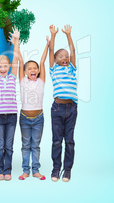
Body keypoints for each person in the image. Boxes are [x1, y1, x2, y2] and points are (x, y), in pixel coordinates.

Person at [17, 35, 50, 181]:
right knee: (25, 145)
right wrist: (16, 43)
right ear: (25, 72)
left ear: (38, 71)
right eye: (29, 68)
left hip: (38, 118)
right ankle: (25, 171)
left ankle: (36, 170)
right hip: (24, 118)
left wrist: (48, 44)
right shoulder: (23, 80)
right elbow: (20, 61)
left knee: (35, 145)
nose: (33, 69)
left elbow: (43, 61)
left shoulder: (41, 81)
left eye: (35, 68)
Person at [0, 27, 20, 181]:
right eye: (0, 66)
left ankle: (7, 170)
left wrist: (16, 41)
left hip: (12, 116)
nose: (2, 68)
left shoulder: (13, 76)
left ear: (9, 67)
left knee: (9, 146)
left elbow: (15, 58)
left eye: (5, 66)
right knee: (0, 146)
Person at [48, 24, 78, 182]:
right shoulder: (53, 69)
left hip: (71, 108)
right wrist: (53, 35)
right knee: (57, 140)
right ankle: (56, 168)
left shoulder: (72, 68)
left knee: (70, 140)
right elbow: (51, 51)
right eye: (61, 57)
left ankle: (67, 170)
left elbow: (73, 52)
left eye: (66, 57)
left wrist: (68, 35)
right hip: (57, 108)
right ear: (55, 60)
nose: (65, 58)